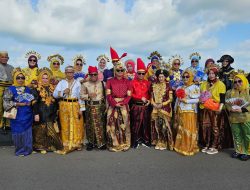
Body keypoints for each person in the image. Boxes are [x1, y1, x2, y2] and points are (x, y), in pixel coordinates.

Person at [53, 66, 84, 154]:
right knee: (65, 124)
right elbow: (54, 94)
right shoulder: (61, 83)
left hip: (75, 105)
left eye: (71, 72)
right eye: (68, 72)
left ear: (73, 73)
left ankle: (77, 143)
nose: (69, 74)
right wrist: (63, 92)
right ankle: (65, 142)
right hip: (64, 105)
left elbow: (80, 96)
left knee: (77, 123)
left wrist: (81, 108)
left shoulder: (77, 83)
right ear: (65, 73)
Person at [3, 68, 34, 156]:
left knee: (27, 132)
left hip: (27, 115)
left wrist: (30, 102)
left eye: (22, 78)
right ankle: (20, 151)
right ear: (15, 79)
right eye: (18, 78)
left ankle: (28, 150)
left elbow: (31, 99)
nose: (20, 79)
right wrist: (19, 104)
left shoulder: (28, 89)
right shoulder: (10, 89)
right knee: (18, 132)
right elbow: (6, 103)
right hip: (17, 115)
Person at [32, 67, 63, 154]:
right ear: (40, 78)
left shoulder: (53, 88)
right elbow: (34, 102)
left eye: (46, 78)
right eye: (43, 78)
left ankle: (51, 146)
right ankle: (40, 147)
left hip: (50, 112)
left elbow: (56, 100)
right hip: (41, 112)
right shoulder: (36, 88)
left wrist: (56, 112)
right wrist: (36, 114)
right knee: (40, 131)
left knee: (51, 131)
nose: (45, 80)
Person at [199, 64, 226, 155]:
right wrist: (201, 101)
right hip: (205, 109)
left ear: (216, 74)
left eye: (213, 73)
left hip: (215, 109)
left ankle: (214, 146)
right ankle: (207, 144)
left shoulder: (221, 84)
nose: (211, 75)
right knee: (205, 127)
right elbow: (200, 96)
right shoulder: (203, 84)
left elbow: (222, 99)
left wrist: (220, 109)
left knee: (215, 127)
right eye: (209, 73)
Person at [106, 61, 132, 152]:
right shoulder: (109, 81)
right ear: (114, 71)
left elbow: (129, 95)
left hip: (124, 105)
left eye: (122, 70)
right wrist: (114, 103)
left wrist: (123, 103)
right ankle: (114, 143)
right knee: (112, 124)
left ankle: (125, 143)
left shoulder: (128, 82)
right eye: (118, 70)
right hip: (113, 105)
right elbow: (108, 95)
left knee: (124, 123)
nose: (120, 72)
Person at [174, 70, 200, 156]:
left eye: (187, 76)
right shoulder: (180, 87)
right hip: (180, 111)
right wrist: (175, 110)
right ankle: (181, 145)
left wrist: (186, 101)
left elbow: (197, 100)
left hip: (189, 111)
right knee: (181, 129)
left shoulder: (195, 87)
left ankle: (189, 147)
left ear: (191, 77)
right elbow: (177, 100)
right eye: (183, 77)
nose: (185, 78)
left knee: (188, 129)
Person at [81, 66, 106, 151]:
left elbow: (106, 96)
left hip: (100, 107)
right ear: (89, 75)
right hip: (90, 106)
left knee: (101, 125)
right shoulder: (85, 84)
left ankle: (101, 143)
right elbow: (81, 96)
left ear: (97, 74)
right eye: (91, 75)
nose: (93, 76)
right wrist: (88, 95)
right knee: (90, 125)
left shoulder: (103, 83)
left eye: (95, 74)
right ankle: (91, 143)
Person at [225, 74, 250, 161]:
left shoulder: (248, 90)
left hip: (246, 117)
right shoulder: (229, 92)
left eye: (240, 81)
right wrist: (231, 109)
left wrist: (243, 110)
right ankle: (239, 150)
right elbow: (227, 103)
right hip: (234, 118)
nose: (237, 83)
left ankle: (248, 151)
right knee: (236, 135)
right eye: (235, 82)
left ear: (244, 81)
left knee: (247, 135)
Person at [130, 58, 151, 148]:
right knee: (136, 124)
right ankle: (135, 140)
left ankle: (145, 140)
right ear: (136, 73)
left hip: (145, 107)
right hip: (136, 106)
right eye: (139, 73)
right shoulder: (132, 82)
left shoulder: (148, 83)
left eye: (143, 73)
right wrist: (139, 98)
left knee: (145, 124)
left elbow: (150, 94)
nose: (141, 75)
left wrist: (149, 100)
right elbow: (130, 95)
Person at [151, 69, 173, 150]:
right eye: (159, 77)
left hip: (165, 108)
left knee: (164, 126)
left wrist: (162, 104)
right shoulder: (154, 85)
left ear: (165, 77)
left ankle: (164, 142)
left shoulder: (168, 86)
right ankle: (158, 141)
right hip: (155, 108)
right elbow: (151, 97)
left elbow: (171, 99)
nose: (160, 78)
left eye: (162, 77)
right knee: (157, 125)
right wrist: (153, 104)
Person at [0, 51, 14, 130]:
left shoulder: (11, 67)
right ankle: (1, 124)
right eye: (2, 57)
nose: (4, 58)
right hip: (0, 88)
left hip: (9, 88)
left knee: (9, 106)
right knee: (0, 107)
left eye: (6, 57)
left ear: (8, 58)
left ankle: (8, 124)